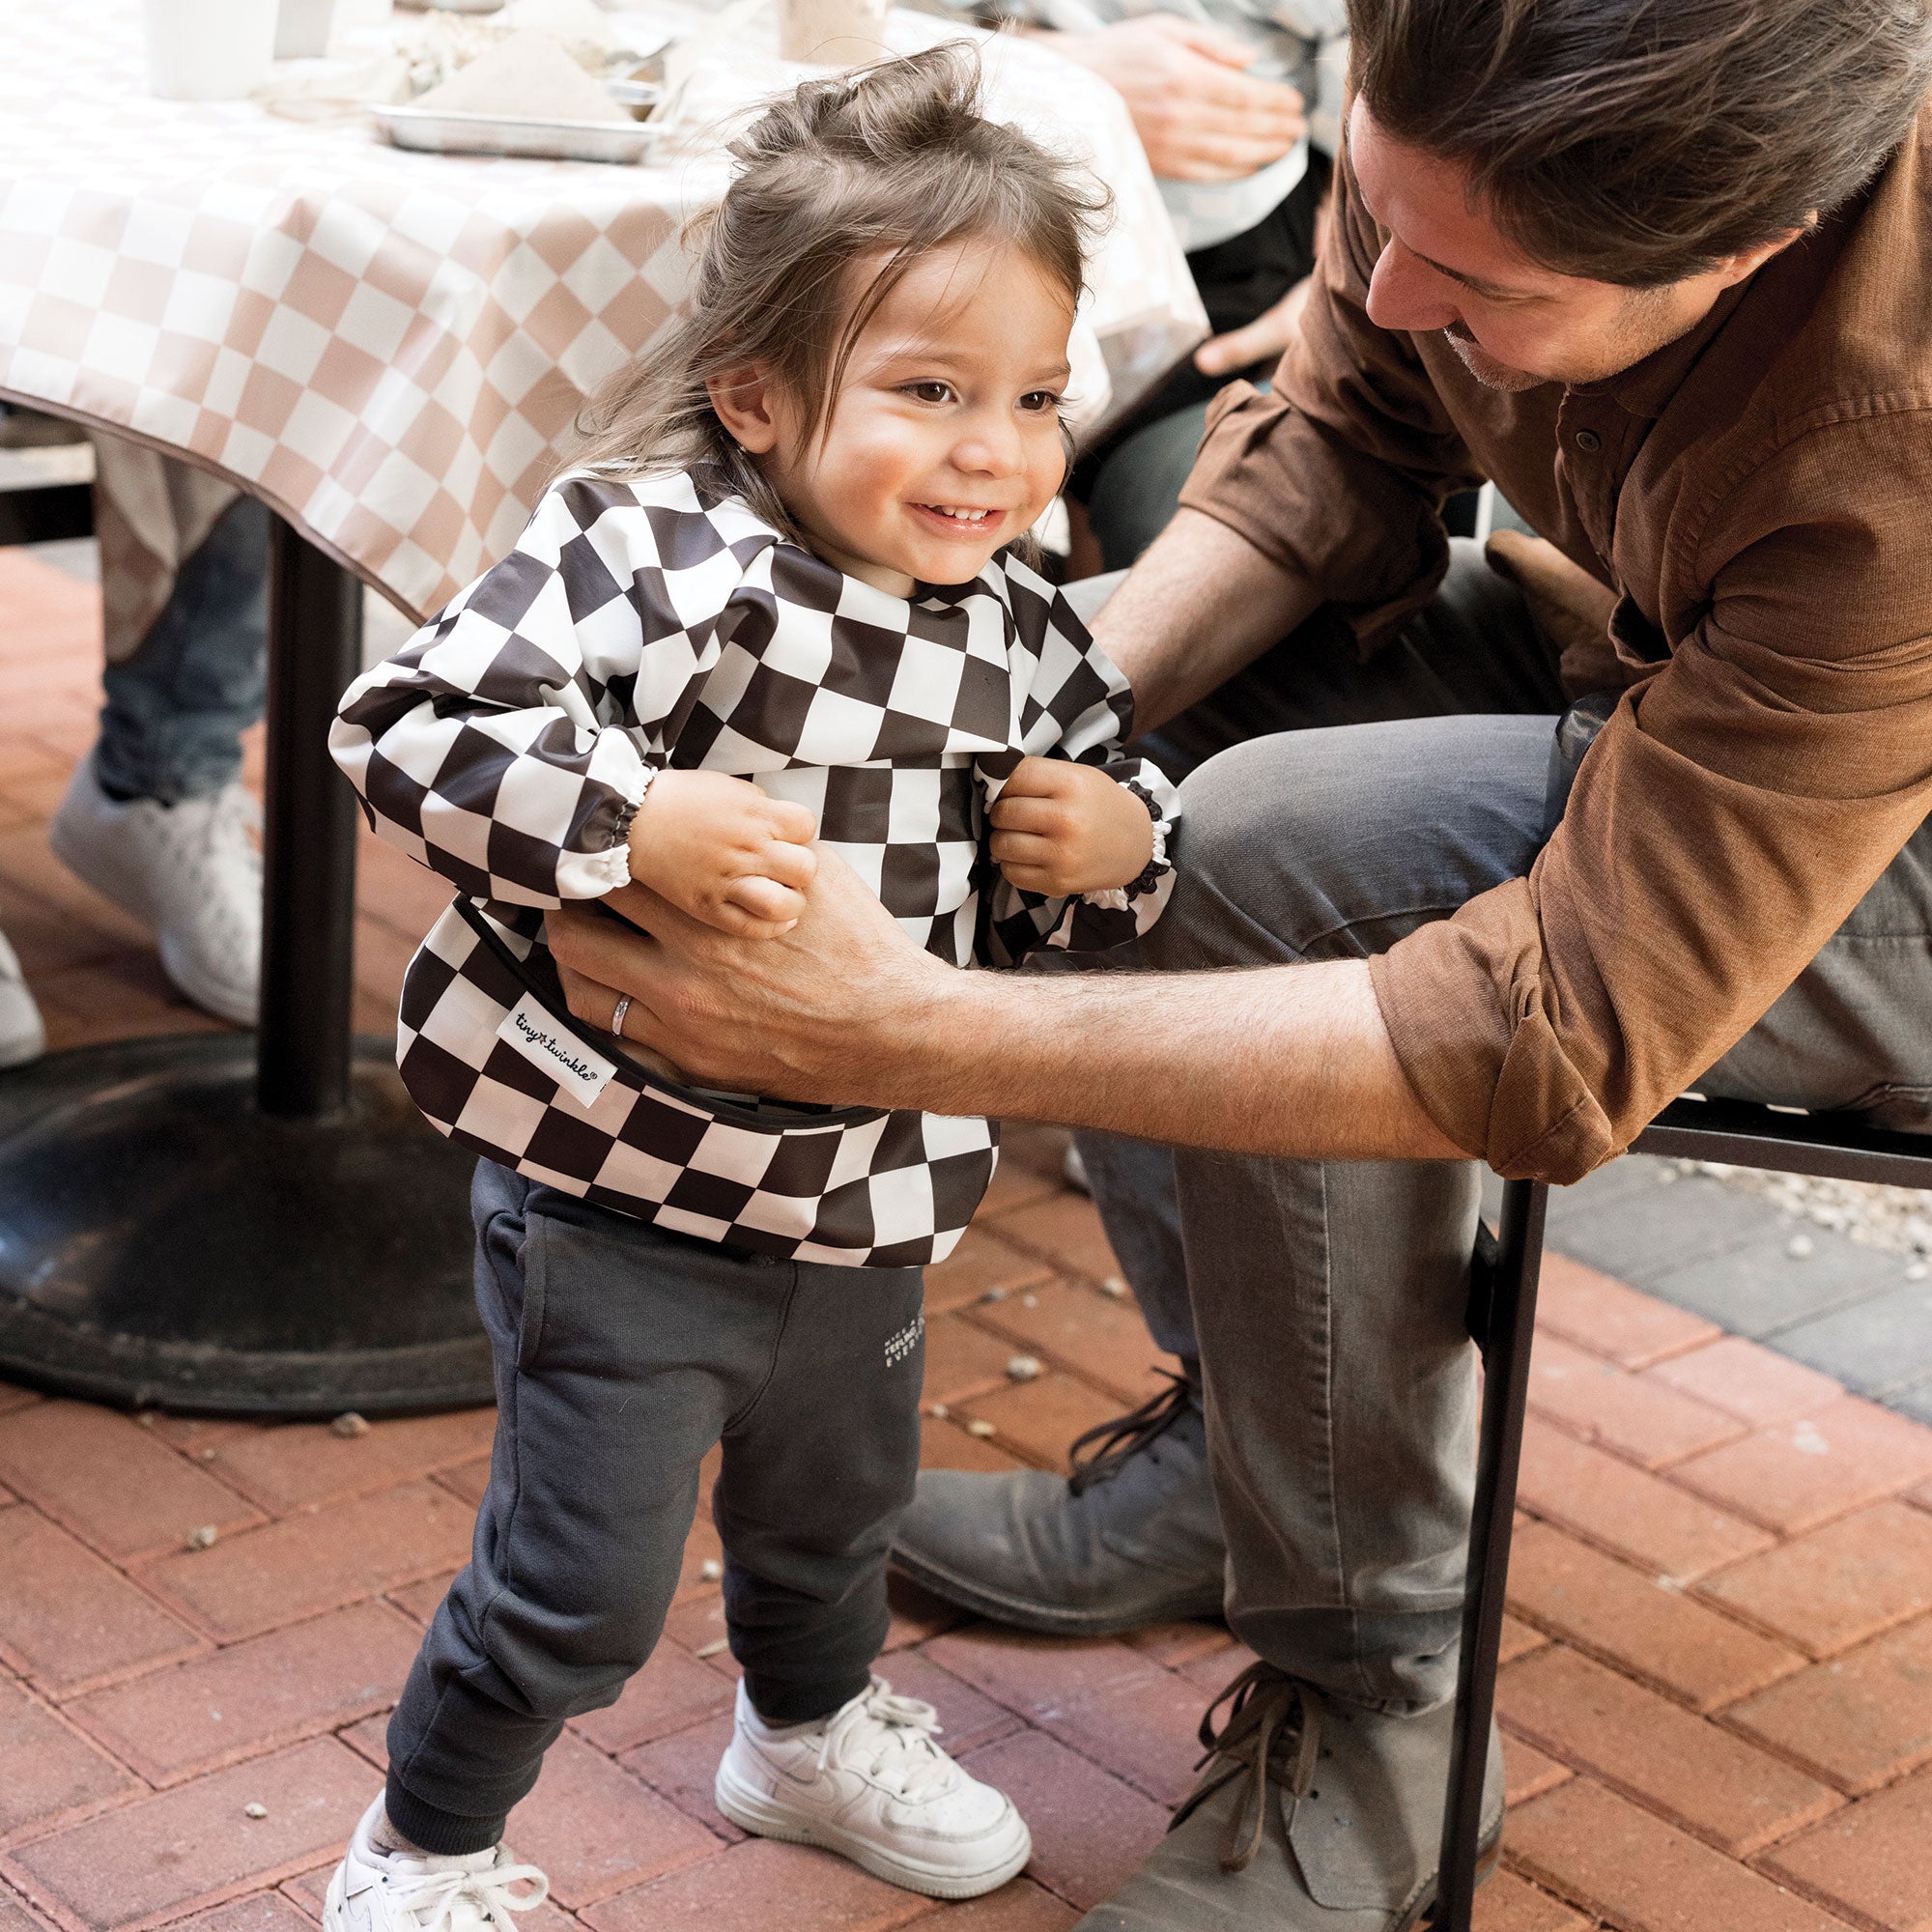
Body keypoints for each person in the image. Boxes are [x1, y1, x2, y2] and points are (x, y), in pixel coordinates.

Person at [534, 0, 1932, 1924]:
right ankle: (1250, 1463)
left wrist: (910, 1022)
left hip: (1895, 844)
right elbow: (1333, 451)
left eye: (1489, 284)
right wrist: (992, 721)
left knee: (1265, 861)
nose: (1393, 283)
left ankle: (1379, 1695)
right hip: (1669, 654)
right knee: (1116, 761)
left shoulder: (1896, 430)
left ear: (1745, 252)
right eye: (1376, 204)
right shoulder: (1476, 108)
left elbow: (1559, 1029)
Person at [320, 48, 1178, 1927]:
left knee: (831, 1523)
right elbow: (406, 723)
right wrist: (631, 815)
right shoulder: (655, 547)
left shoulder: (1028, 629)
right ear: (759, 396)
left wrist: (1113, 838)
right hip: (618, 1183)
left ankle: (798, 1736)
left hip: (862, 1197)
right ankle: (422, 1844)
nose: (997, 451)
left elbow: (1117, 859)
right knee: (577, 1587)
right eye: (931, 392)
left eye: (1035, 396)